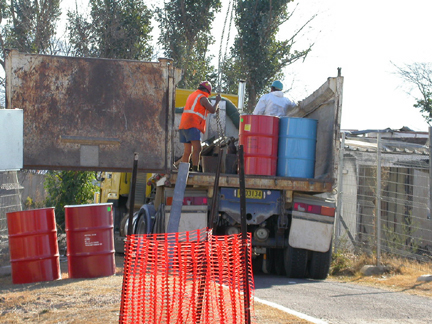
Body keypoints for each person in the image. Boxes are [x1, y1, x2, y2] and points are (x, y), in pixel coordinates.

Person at [179, 81, 221, 172]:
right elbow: (212, 110)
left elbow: (199, 109)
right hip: (193, 125)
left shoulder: (193, 95)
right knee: (197, 148)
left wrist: (214, 108)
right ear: (208, 91)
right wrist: (217, 102)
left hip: (183, 125)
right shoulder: (203, 98)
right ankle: (195, 168)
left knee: (187, 151)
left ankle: (183, 170)